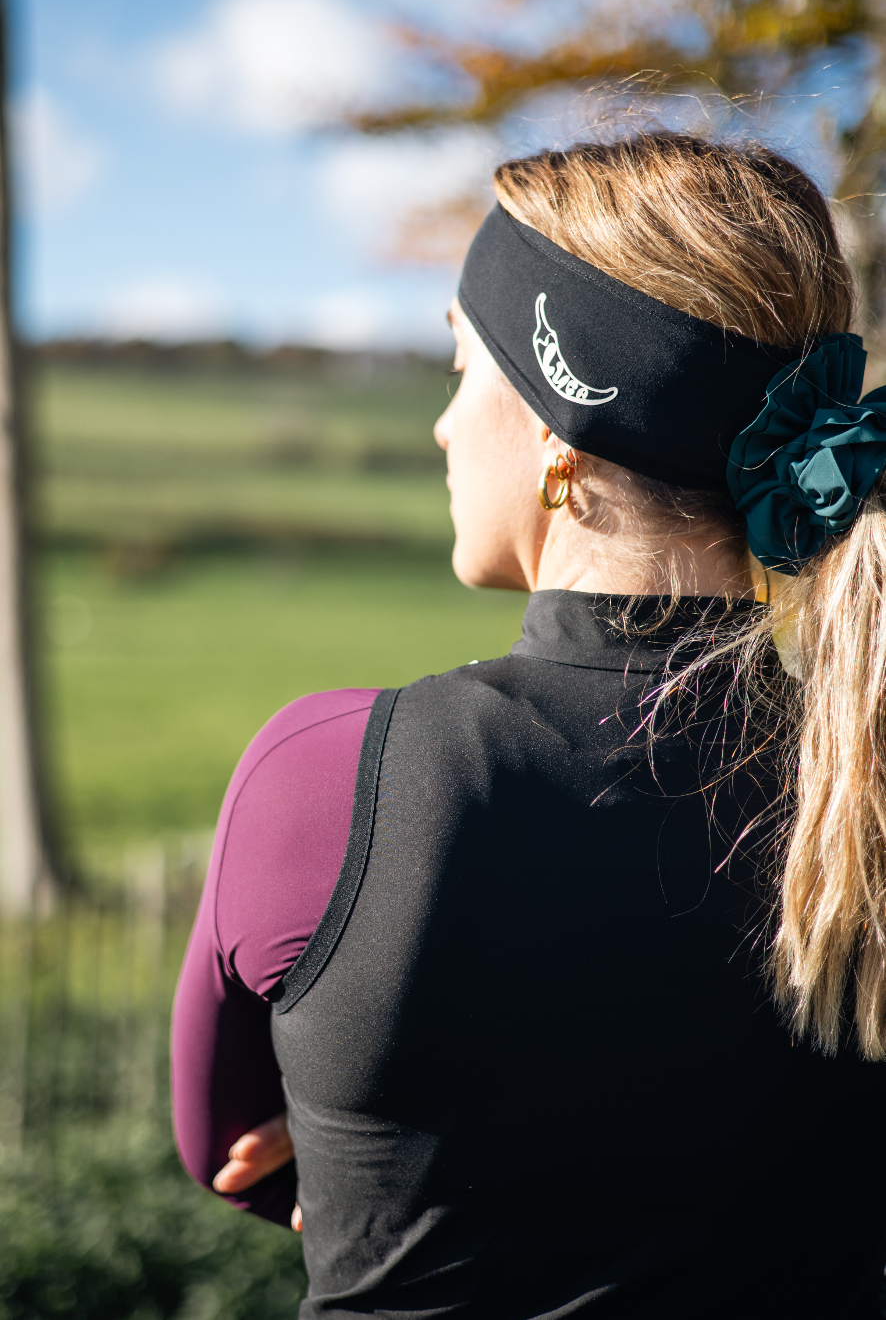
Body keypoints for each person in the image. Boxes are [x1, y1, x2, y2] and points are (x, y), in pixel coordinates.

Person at [171, 133, 886, 1318]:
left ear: (562, 419)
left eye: (462, 369)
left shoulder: (328, 779)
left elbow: (222, 1145)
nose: (444, 427)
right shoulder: (860, 789)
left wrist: (351, 1128)